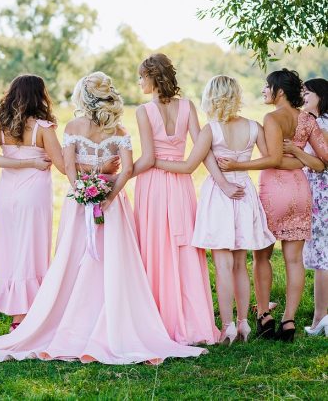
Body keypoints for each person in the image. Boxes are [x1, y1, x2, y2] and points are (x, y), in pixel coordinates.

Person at [0, 72, 206, 364]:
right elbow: (127, 170)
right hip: (112, 206)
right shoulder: (119, 131)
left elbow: (67, 165)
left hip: (78, 204)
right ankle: (112, 322)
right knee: (113, 263)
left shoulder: (73, 126)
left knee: (74, 258)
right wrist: (108, 196)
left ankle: (69, 319)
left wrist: (81, 190)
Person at [153, 75, 276, 344]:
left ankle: (229, 326)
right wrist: (241, 167)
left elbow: (188, 166)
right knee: (241, 263)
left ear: (211, 97)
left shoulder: (211, 130)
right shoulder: (254, 127)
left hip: (219, 196)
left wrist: (156, 162)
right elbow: (269, 159)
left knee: (223, 265)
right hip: (244, 192)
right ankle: (244, 323)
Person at [218, 69, 328, 342]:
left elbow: (273, 159)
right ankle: (288, 321)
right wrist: (302, 157)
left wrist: (237, 165)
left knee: (262, 256)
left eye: (267, 87)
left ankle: (265, 314)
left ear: (279, 91)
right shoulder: (307, 120)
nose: (264, 91)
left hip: (273, 192)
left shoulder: (271, 118)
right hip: (300, 191)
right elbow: (322, 162)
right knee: (293, 260)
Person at [132, 54, 225, 345]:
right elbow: (202, 147)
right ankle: (192, 321)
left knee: (155, 246)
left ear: (152, 77)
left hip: (153, 185)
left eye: (141, 77)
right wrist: (219, 179)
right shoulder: (187, 107)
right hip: (181, 183)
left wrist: (121, 177)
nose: (139, 82)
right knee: (183, 248)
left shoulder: (143, 111)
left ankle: (160, 320)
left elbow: (148, 159)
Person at [0, 74, 63, 339]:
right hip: (34, 195)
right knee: (30, 251)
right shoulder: (44, 128)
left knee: (7, 252)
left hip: (7, 194)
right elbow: (64, 166)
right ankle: (20, 319)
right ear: (40, 95)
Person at [282, 78, 328, 336]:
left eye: (307, 92)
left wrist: (295, 151)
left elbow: (324, 160)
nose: (303, 95)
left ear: (321, 96)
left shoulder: (321, 123)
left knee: (322, 256)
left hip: (322, 190)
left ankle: (321, 315)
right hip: (318, 188)